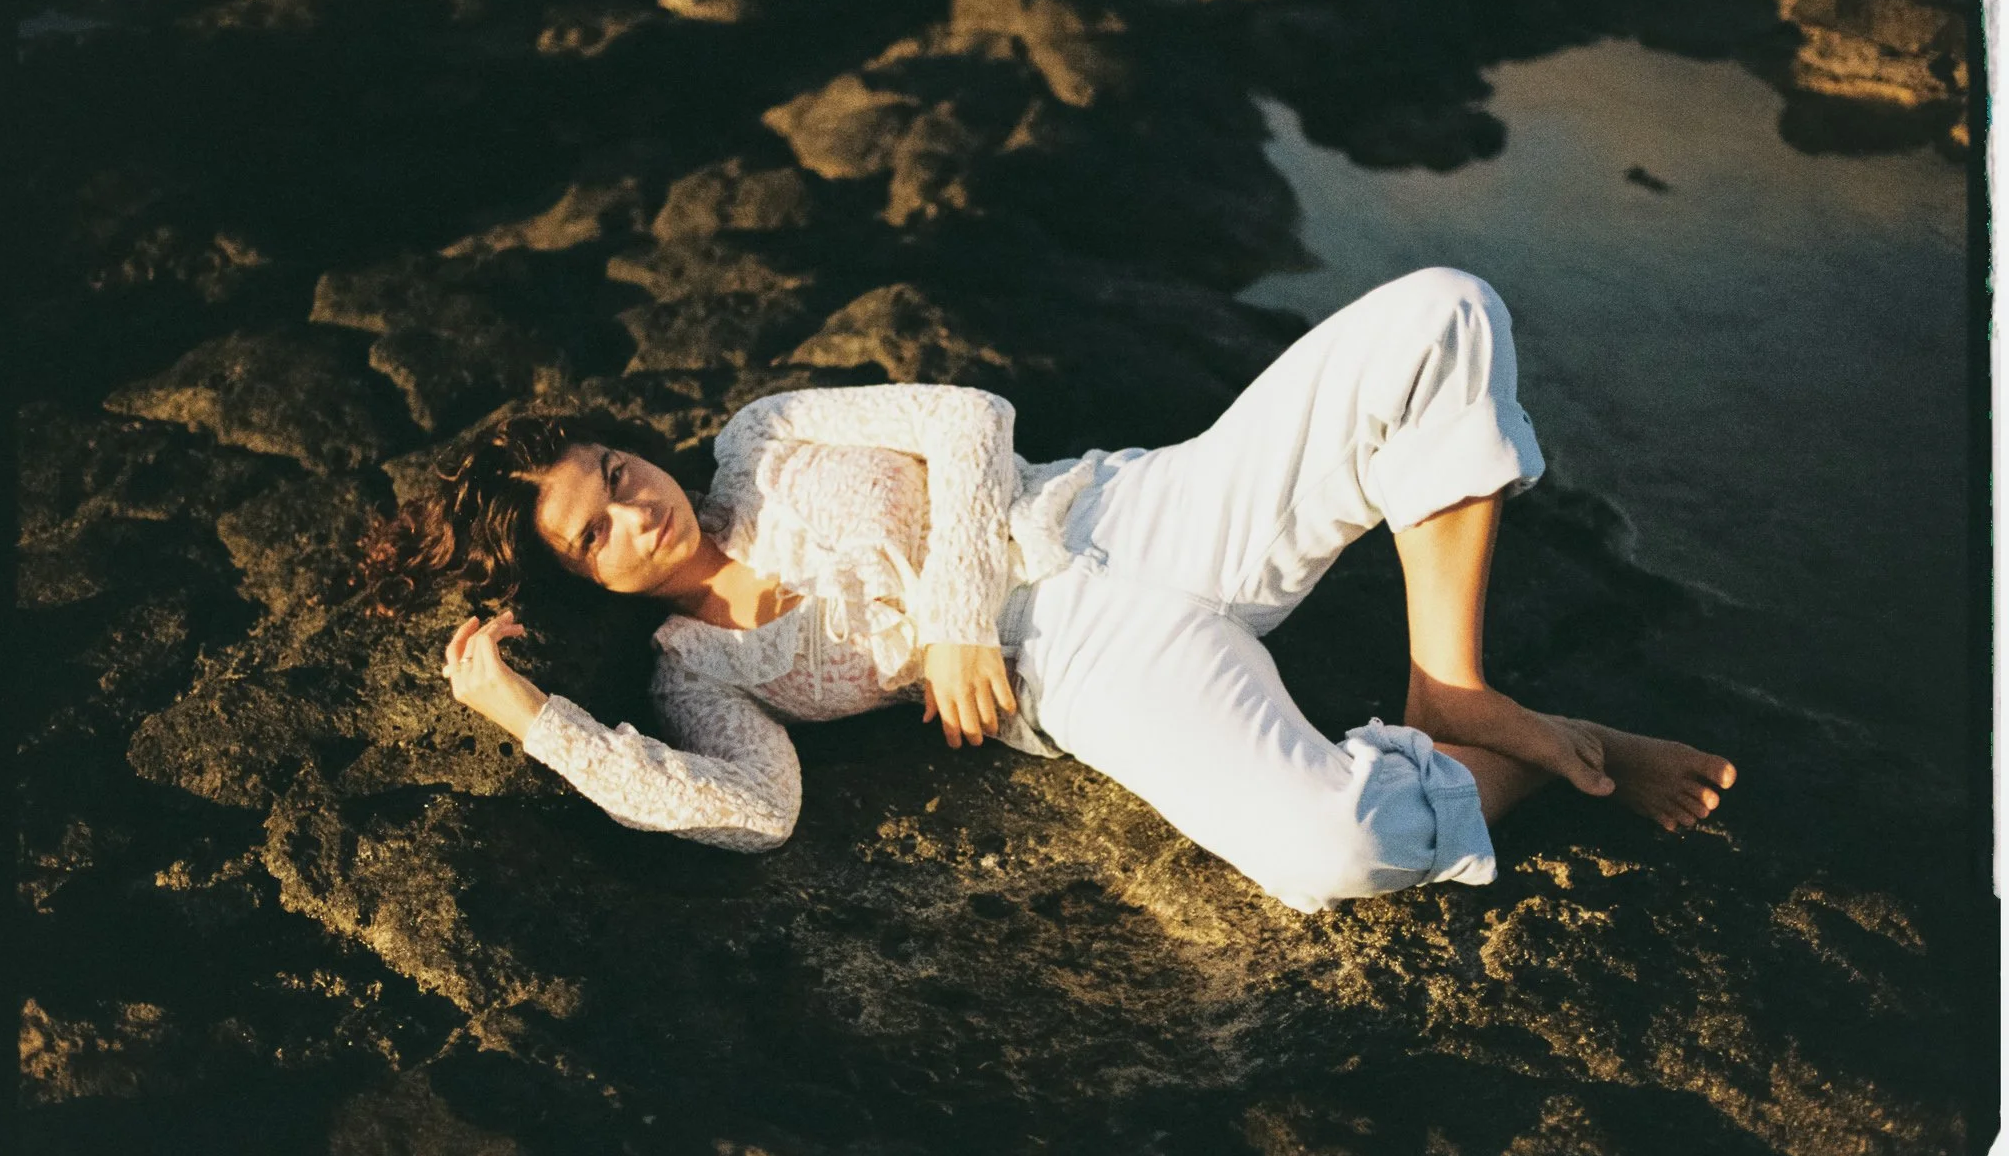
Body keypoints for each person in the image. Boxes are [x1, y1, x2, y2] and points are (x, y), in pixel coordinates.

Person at [359, 267, 1735, 913]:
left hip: (1119, 508)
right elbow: (753, 817)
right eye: (596, 529)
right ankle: (1571, 763)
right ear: (582, 579)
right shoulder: (692, 675)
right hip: (1077, 666)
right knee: (1334, 854)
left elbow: (965, 417)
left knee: (1441, 314)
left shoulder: (755, 437)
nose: (634, 502)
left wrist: (951, 615)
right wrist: (528, 720)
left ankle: (1456, 683)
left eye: (612, 465)